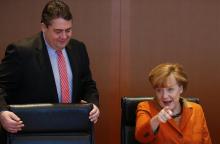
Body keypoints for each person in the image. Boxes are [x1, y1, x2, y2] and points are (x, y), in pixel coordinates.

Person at [0, 0, 100, 137]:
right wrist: (2, 112)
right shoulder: (21, 52)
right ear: (44, 27)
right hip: (32, 132)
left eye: (68, 30)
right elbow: (1, 87)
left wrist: (93, 104)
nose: (64, 37)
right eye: (58, 31)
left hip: (72, 131)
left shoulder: (79, 48)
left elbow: (88, 84)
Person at [135, 63, 212, 143]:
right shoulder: (145, 107)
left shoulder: (196, 110)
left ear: (180, 89)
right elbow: (141, 137)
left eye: (170, 89)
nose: (164, 96)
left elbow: (206, 141)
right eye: (159, 90)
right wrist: (156, 120)